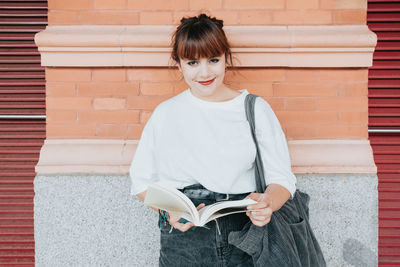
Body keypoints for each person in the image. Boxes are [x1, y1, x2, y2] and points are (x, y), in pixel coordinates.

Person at [129, 13, 297, 266]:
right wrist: (167, 212)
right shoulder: (166, 112)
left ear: (226, 59)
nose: (204, 72)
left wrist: (267, 204)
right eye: (192, 63)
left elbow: (281, 179)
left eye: (214, 60)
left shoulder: (254, 108)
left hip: (245, 228)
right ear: (179, 64)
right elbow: (141, 181)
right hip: (185, 237)